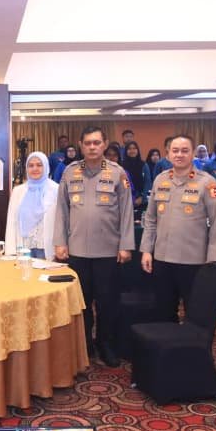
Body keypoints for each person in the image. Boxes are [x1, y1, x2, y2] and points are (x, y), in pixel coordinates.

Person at [54, 128, 135, 367]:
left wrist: (126, 245)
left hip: (108, 250)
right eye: (88, 143)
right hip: (77, 250)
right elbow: (62, 210)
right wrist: (60, 242)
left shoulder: (118, 173)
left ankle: (105, 344)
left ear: (105, 144)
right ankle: (85, 345)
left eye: (96, 142)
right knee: (82, 303)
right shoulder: (70, 172)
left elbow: (127, 211)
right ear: (80, 145)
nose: (92, 147)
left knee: (108, 302)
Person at [141, 135, 216, 323]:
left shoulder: (208, 183)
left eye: (185, 151)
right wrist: (146, 250)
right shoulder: (160, 180)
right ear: (168, 154)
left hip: (193, 260)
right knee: (164, 312)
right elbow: (151, 219)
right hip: (162, 258)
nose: (179, 155)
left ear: (193, 154)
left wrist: (212, 259)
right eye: (175, 150)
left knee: (195, 313)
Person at [5, 151, 58, 259]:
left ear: (46, 167)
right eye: (31, 165)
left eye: (39, 165)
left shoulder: (56, 189)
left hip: (47, 248)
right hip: (24, 248)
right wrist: (10, 250)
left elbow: (61, 221)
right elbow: (11, 221)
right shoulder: (18, 191)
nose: (35, 169)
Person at [121, 141, 151, 214]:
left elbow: (147, 182)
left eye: (134, 148)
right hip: (126, 200)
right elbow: (124, 182)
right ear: (126, 151)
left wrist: (142, 197)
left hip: (142, 201)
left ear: (137, 150)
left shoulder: (144, 165)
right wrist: (131, 197)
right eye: (129, 149)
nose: (132, 151)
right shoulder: (122, 166)